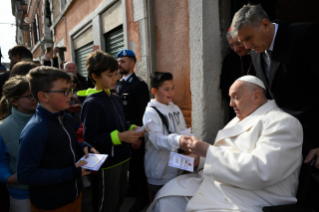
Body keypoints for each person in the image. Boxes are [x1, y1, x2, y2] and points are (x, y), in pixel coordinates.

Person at [147, 76, 303, 212]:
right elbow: (227, 152)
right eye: (230, 98)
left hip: (249, 197)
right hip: (222, 185)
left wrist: (207, 151)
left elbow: (261, 171)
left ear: (256, 97)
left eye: (235, 97)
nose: (230, 104)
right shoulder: (239, 118)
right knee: (166, 198)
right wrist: (199, 160)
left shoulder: (283, 123)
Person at [230, 4, 319, 209]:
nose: (246, 45)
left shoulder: (305, 35)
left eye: (249, 38)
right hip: (289, 145)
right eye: (242, 41)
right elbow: (274, 97)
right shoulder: (255, 53)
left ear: (265, 25)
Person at [16, 66, 98, 212]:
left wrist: (83, 146)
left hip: (74, 196)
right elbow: (26, 175)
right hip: (51, 205)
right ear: (43, 96)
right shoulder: (35, 130)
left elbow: (68, 143)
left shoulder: (66, 118)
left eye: (71, 90)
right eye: (65, 91)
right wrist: (72, 172)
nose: (70, 95)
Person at [78, 50, 145, 212]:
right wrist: (121, 136)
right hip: (107, 164)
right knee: (106, 204)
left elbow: (119, 124)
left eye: (116, 74)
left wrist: (130, 128)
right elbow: (91, 138)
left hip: (123, 158)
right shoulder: (92, 103)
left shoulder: (114, 97)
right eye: (110, 75)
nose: (115, 78)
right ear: (95, 76)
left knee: (119, 200)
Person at [143, 72, 193, 201]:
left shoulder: (175, 108)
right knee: (159, 205)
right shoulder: (150, 112)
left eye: (173, 88)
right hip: (158, 173)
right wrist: (178, 140)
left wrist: (190, 139)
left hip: (176, 170)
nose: (171, 92)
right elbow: (156, 140)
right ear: (154, 91)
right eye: (166, 89)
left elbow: (182, 130)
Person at [116, 49, 150, 212]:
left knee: (139, 165)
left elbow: (143, 113)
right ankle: (133, 188)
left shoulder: (139, 85)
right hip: (123, 133)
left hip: (135, 133)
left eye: (123, 61)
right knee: (131, 165)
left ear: (132, 64)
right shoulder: (119, 83)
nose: (119, 64)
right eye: (118, 61)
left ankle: (143, 196)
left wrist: (138, 137)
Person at [0, 76, 38, 212]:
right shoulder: (3, 128)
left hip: (50, 190)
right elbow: (1, 161)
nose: (35, 97)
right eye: (30, 95)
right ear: (14, 101)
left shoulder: (51, 119)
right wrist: (8, 178)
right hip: (21, 194)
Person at [220, 27, 255, 122]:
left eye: (238, 43)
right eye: (231, 45)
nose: (235, 48)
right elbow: (226, 89)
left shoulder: (259, 55)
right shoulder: (229, 60)